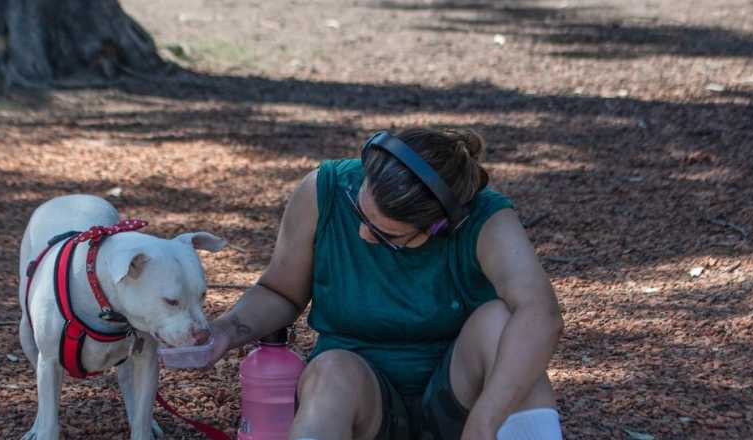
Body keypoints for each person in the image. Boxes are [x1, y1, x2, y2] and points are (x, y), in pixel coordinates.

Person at [207, 128, 565, 440]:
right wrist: (224, 331)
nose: (362, 234)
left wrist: (487, 418)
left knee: (503, 324)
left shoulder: (485, 219)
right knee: (329, 370)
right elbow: (279, 291)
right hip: (360, 402)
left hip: (457, 399)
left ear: (438, 228)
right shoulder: (326, 189)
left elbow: (540, 313)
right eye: (358, 212)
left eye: (385, 234)